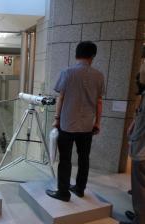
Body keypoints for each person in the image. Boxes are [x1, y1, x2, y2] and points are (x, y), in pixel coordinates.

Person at [46, 41, 104, 202]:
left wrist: (56, 118)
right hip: (87, 126)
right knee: (84, 158)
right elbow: (99, 101)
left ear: (76, 55)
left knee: (65, 159)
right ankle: (79, 189)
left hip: (67, 124)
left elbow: (61, 97)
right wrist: (97, 123)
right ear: (92, 56)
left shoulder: (67, 72)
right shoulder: (99, 76)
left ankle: (63, 192)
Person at [119, 60, 145, 224]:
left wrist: (134, 139)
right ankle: (140, 216)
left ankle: (140, 223)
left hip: (143, 152)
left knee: (140, 186)